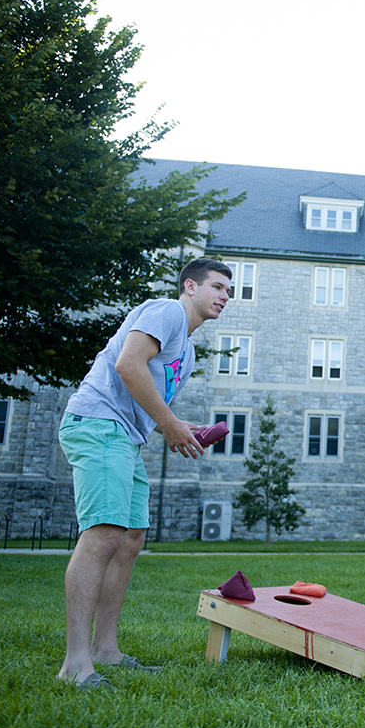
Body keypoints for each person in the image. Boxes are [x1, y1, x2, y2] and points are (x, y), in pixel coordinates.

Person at [55, 257, 232, 690]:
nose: (225, 297)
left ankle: (106, 650)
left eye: (229, 291)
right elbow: (127, 366)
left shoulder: (187, 349)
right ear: (190, 286)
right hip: (97, 423)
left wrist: (177, 424)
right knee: (102, 534)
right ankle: (75, 663)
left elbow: (144, 397)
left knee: (130, 539)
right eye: (217, 287)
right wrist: (169, 425)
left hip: (126, 435)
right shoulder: (166, 312)